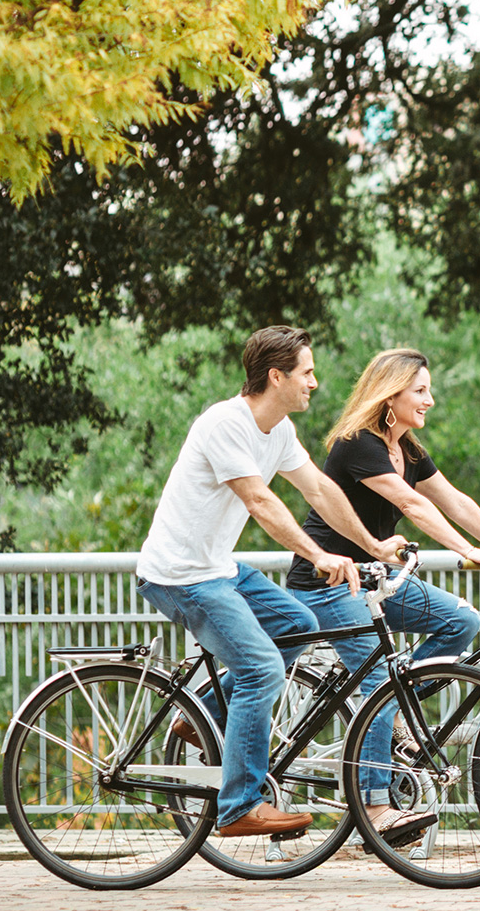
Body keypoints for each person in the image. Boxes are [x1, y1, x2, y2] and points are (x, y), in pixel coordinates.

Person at [134, 325, 405, 840]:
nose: (315, 383)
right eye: (307, 373)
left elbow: (319, 490)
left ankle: (204, 713)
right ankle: (239, 805)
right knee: (260, 669)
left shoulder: (278, 430)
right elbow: (259, 501)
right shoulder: (225, 424)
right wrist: (317, 554)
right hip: (179, 575)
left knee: (298, 624)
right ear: (276, 376)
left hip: (218, 567)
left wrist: (370, 545)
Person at [287, 347, 480, 838]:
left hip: (376, 581)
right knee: (378, 684)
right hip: (328, 584)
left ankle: (395, 717)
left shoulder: (408, 449)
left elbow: (453, 500)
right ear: (390, 395)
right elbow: (411, 505)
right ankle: (375, 808)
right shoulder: (358, 444)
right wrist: (468, 552)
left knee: (461, 621)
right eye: (420, 390)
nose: (429, 400)